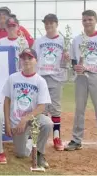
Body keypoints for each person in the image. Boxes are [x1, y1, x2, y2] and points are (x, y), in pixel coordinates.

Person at [65, 10, 97, 158]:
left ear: (96, 20)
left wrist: (92, 67)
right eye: (85, 20)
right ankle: (76, 140)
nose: (87, 22)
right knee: (79, 108)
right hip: (81, 77)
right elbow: (74, 59)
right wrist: (76, 66)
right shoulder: (77, 39)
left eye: (90, 19)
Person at [2, 48, 53, 169]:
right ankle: (30, 140)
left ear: (36, 61)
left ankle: (39, 153)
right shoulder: (13, 78)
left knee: (47, 123)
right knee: (21, 154)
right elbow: (7, 101)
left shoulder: (40, 81)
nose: (26, 60)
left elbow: (42, 107)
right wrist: (7, 123)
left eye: (30, 58)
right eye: (23, 58)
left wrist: (25, 119)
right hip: (16, 120)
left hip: (32, 118)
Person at [33, 14, 68, 151]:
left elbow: (66, 62)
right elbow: (34, 58)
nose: (48, 26)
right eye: (46, 23)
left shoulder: (63, 41)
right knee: (41, 107)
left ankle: (56, 137)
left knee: (55, 109)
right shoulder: (39, 41)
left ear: (56, 24)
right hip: (41, 77)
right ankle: (40, 136)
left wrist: (67, 58)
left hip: (56, 77)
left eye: (51, 23)